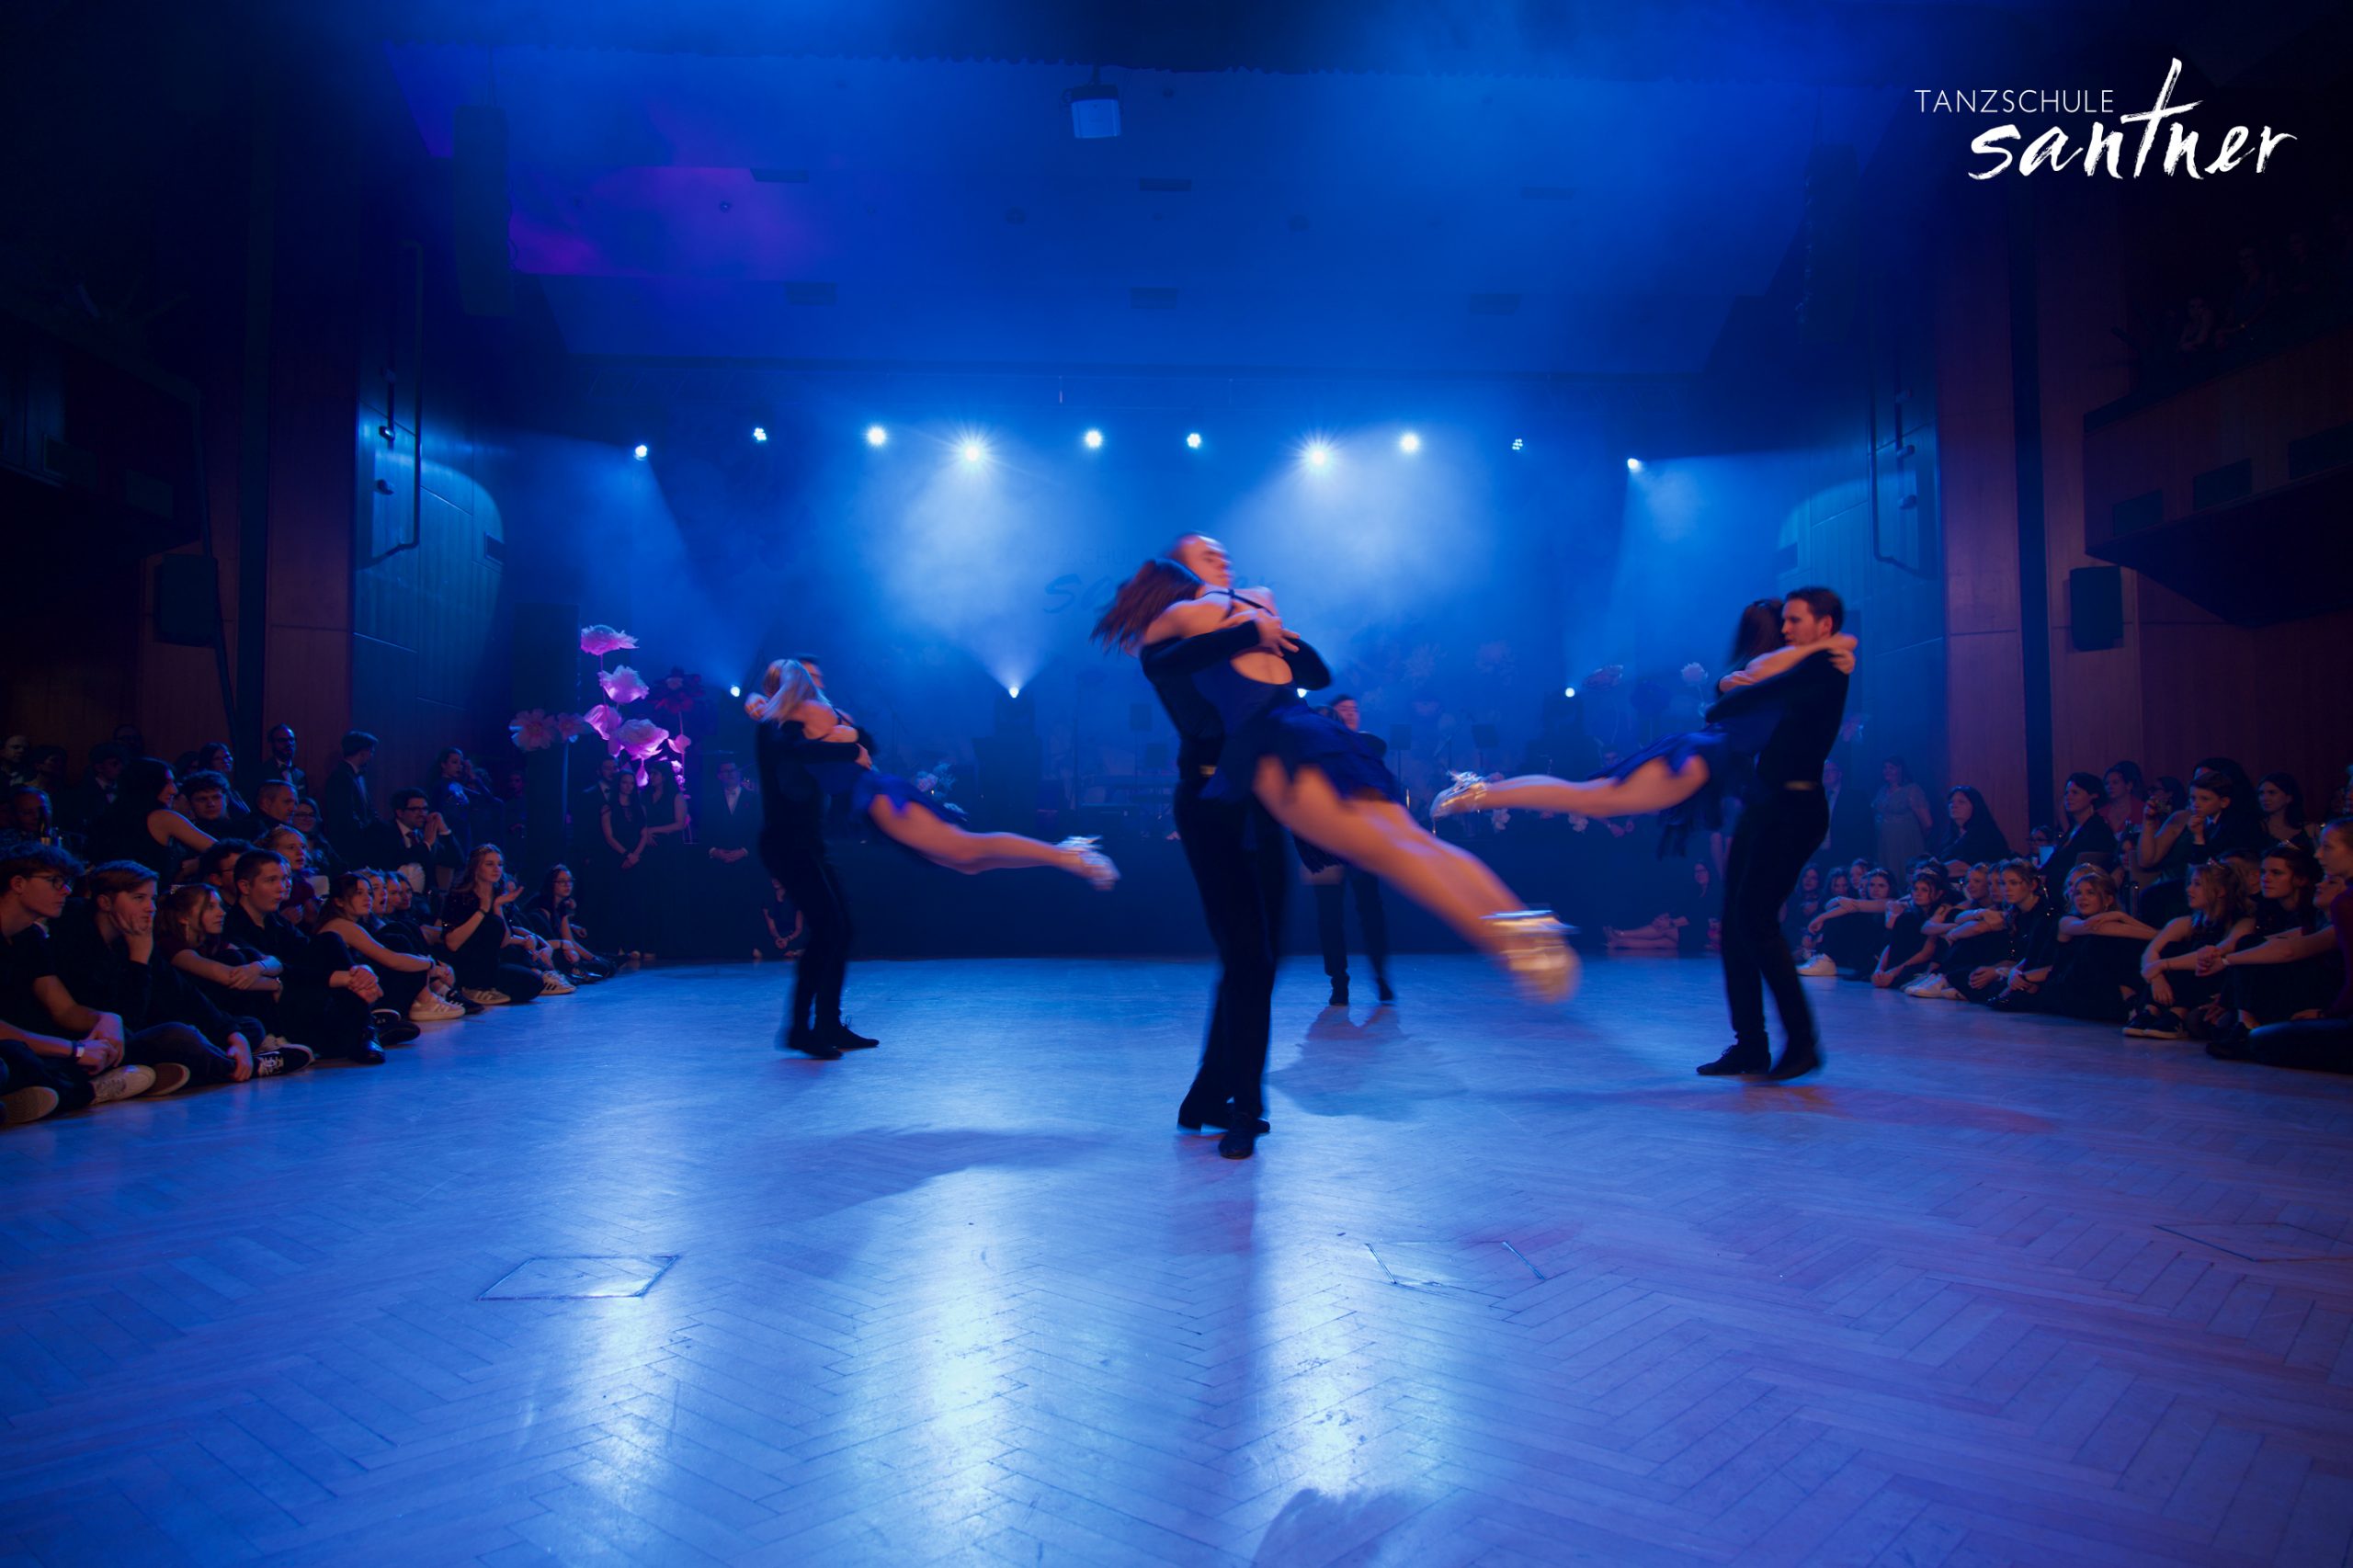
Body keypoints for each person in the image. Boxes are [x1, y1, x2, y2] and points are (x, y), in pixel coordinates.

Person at [1097, 548, 1572, 1005]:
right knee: (1416, 842)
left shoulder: (1183, 614)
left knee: (1393, 854)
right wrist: (1257, 631)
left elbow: (1153, 656)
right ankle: (1521, 919)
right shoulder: (1260, 598)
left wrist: (1168, 627)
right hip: (1322, 732)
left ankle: (1508, 945)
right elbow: (1313, 671)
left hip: (1273, 745)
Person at [1093, 535, 1331, 1156]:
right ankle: (1245, 1108)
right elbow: (1173, 662)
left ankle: (1205, 1096)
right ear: (1178, 576)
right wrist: (1250, 627)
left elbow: (1317, 674)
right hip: (1211, 806)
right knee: (1249, 958)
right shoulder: (1168, 643)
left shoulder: (1244, 622)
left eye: (1225, 553)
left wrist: (1266, 628)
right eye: (1207, 555)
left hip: (1265, 803)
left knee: (1263, 959)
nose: (1223, 558)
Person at [1432, 599, 1857, 857]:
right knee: (1587, 799)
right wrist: (1829, 643)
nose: (1791, 630)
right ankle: (1480, 793)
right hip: (1705, 758)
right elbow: (1841, 646)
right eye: (1786, 624)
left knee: (1588, 797)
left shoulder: (1770, 672)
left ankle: (1481, 792)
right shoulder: (1771, 665)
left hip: (1706, 755)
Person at [1694, 588, 1851, 1080]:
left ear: (1824, 625)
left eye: (1795, 620)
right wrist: (1727, 690)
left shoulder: (1826, 666)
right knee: (1735, 922)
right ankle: (1750, 1045)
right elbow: (1742, 688)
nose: (1785, 629)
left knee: (1756, 919)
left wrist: (1724, 698)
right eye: (1784, 620)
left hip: (1796, 808)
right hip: (1767, 804)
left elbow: (1752, 695)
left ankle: (1803, 1043)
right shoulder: (1804, 661)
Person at [0, 846, 165, 1110]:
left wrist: (105, 1018)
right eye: (54, 881)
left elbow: (64, 1009)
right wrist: (74, 1049)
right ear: (18, 883)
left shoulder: (29, 938)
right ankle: (85, 1093)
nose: (66, 891)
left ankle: (49, 1093)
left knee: (128, 1040)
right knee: (15, 1058)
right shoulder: (73, 934)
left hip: (29, 1043)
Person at [2207, 819, 2353, 1069]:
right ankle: (2245, 1023)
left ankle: (2247, 1027)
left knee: (2265, 1042)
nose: (2318, 854)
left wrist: (2328, 1014)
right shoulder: (2314, 912)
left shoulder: (2345, 903)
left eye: (2327, 847)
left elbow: (2294, 951)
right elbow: (2280, 942)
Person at [222, 849, 391, 1062]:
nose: (282, 887)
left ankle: (364, 1028)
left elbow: (309, 954)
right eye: (271, 880)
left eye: (285, 879)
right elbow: (279, 970)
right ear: (245, 886)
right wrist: (341, 978)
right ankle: (365, 1029)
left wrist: (358, 971)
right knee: (325, 967)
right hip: (275, 1010)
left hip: (302, 995)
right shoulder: (232, 926)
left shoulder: (275, 921)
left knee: (329, 940)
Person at [1308, 695, 1393, 1006]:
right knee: (1329, 915)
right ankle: (1338, 981)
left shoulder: (1366, 746)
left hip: (1361, 840)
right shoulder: (1313, 752)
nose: (1350, 714)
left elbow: (1378, 750)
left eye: (1354, 710)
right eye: (1343, 710)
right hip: (1324, 841)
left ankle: (1381, 976)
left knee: (1371, 909)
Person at [2127, 860, 2256, 1040]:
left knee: (2198, 950)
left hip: (2212, 987)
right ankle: (2151, 1010)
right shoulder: (2186, 922)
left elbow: (2210, 956)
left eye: (2197, 884)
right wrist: (2157, 978)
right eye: (2190, 884)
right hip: (2171, 989)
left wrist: (2163, 965)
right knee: (2171, 948)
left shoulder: (2243, 923)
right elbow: (2150, 953)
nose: (2189, 890)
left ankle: (2178, 1014)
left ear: (2220, 891)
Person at [314, 873, 467, 1025]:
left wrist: (430, 964)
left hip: (358, 990)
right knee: (396, 940)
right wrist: (430, 964)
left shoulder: (354, 924)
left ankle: (427, 996)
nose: (367, 898)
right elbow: (391, 960)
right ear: (339, 901)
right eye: (359, 893)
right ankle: (424, 1000)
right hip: (340, 999)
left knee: (398, 932)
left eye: (369, 893)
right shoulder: (342, 925)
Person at [440, 846, 555, 1006]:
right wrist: (483, 909)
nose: (497, 869)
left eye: (500, 864)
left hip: (492, 963)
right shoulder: (459, 896)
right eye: (490, 864)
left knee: (532, 983)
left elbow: (504, 941)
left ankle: (491, 986)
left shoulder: (499, 896)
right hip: (466, 960)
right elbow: (453, 944)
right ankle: (473, 987)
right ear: (476, 867)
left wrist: (497, 907)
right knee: (492, 923)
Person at [702, 756, 765, 960]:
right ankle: (722, 947)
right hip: (719, 862)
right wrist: (714, 850)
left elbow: (759, 829)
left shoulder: (754, 800)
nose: (729, 774)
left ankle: (748, 946)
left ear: (739, 773)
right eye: (725, 771)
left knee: (747, 903)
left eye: (732, 771)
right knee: (721, 904)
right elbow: (704, 830)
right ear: (719, 776)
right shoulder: (710, 801)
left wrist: (744, 851)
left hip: (746, 861)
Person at [599, 767, 652, 962]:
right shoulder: (608, 808)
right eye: (625, 782)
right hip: (617, 859)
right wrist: (626, 855)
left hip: (636, 859)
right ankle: (617, 945)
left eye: (631, 783)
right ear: (618, 784)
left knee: (635, 902)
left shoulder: (640, 808)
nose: (628, 787)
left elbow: (644, 834)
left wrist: (635, 855)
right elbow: (609, 836)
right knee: (617, 902)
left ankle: (635, 945)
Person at [316, 731, 378, 862]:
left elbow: (368, 808)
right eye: (371, 752)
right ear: (362, 753)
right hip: (349, 844)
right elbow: (345, 813)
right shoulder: (341, 776)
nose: (372, 756)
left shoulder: (358, 776)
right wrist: (365, 834)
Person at [1871, 756, 1934, 874]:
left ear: (1901, 769)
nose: (1887, 771)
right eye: (1885, 767)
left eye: (1891, 767)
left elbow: (1927, 823)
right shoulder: (1882, 791)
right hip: (1885, 844)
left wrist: (1915, 838)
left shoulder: (1912, 790)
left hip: (1906, 844)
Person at [2050, 773, 2119, 870]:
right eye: (2066, 793)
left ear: (2093, 796)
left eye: (2075, 792)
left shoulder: (2099, 831)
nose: (2068, 797)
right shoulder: (2073, 829)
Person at [1933, 786, 2010, 866]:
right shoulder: (1950, 836)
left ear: (1975, 806)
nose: (1953, 806)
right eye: (1951, 802)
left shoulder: (1988, 835)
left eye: (1961, 802)